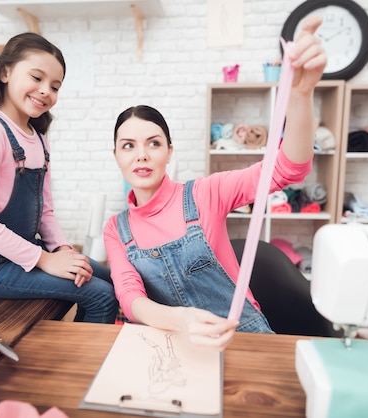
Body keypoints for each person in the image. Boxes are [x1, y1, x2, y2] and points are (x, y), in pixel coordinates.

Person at [103, 15, 327, 349]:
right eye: (128, 146)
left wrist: (301, 94)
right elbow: (130, 299)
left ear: (169, 152)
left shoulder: (205, 193)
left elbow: (288, 168)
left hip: (243, 339)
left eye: (153, 143)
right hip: (176, 344)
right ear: (117, 156)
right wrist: (182, 320)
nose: (141, 155)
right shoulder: (116, 230)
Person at [0, 32, 118, 324]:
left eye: (55, 86)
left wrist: (62, 251)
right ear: (5, 72)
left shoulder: (38, 138)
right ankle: (80, 368)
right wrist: (46, 260)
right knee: (100, 294)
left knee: (109, 279)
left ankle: (76, 350)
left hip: (24, 254)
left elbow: (45, 211)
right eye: (36, 77)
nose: (45, 90)